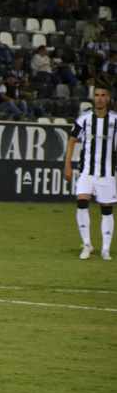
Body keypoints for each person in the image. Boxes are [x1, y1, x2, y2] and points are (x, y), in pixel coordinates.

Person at [64, 85, 116, 261]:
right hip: (87, 171)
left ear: (108, 98)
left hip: (107, 173)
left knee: (107, 210)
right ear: (93, 97)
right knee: (81, 203)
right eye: (97, 95)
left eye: (103, 95)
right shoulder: (84, 118)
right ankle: (87, 244)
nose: (99, 98)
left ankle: (106, 249)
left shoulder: (115, 119)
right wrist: (67, 165)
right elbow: (71, 141)